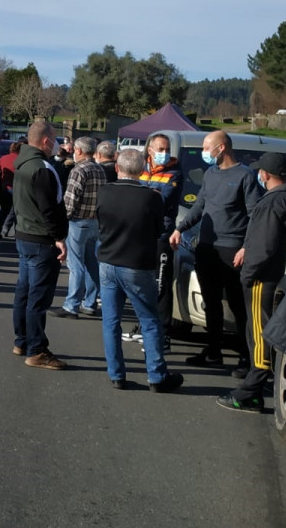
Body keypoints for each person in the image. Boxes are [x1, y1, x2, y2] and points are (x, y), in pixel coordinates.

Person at [217, 152, 286, 413]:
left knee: (258, 333)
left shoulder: (273, 201)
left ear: (265, 175)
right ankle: (256, 384)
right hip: (275, 274)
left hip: (261, 278)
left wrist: (248, 273)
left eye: (260, 172)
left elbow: (265, 245)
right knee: (261, 330)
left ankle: (251, 390)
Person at [172, 130, 263, 369]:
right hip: (206, 247)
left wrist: (246, 247)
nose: (204, 152)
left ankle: (246, 355)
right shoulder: (211, 174)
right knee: (211, 302)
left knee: (237, 304)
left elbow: (255, 215)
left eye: (206, 147)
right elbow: (199, 206)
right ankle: (213, 351)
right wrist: (180, 228)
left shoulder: (245, 176)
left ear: (221, 148)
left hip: (232, 249)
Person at [96, 147, 183, 392]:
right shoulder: (152, 197)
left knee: (111, 321)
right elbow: (158, 230)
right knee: (149, 320)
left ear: (117, 168)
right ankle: (156, 376)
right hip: (137, 263)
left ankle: (116, 374)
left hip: (108, 261)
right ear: (143, 169)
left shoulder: (105, 192)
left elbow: (100, 222)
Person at [12, 120, 69, 370]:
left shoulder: (22, 162)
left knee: (24, 293)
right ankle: (36, 350)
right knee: (38, 297)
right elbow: (50, 209)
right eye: (55, 138)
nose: (56, 143)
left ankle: (22, 341)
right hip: (41, 239)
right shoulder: (42, 168)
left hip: (24, 235)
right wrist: (59, 238)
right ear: (46, 141)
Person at [59, 136, 107, 318]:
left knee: (76, 264)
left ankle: (71, 304)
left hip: (78, 221)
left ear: (78, 151)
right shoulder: (99, 169)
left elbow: (70, 200)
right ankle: (90, 302)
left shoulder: (78, 170)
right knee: (92, 263)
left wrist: (63, 220)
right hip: (95, 221)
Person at [139, 133, 182, 331]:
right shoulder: (141, 169)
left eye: (167, 150)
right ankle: (144, 325)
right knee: (142, 283)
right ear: (150, 150)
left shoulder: (174, 172)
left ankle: (163, 330)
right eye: (160, 149)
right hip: (140, 234)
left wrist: (144, 196)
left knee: (161, 283)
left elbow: (162, 201)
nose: (164, 153)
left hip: (161, 235)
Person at [0, 141, 20, 240]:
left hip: (5, 188)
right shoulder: (22, 160)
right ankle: (18, 233)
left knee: (3, 211)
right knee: (18, 212)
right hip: (18, 189)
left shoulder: (4, 158)